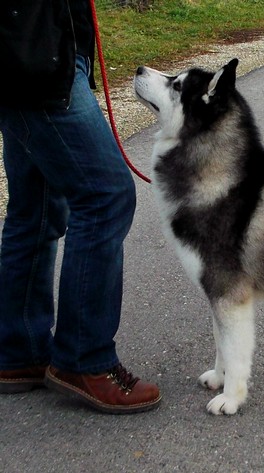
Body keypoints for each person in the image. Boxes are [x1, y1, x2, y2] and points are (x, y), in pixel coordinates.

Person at [0, 0, 161, 413]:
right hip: (39, 60)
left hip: (30, 54)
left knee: (34, 208)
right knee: (106, 195)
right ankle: (83, 360)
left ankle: (20, 352)